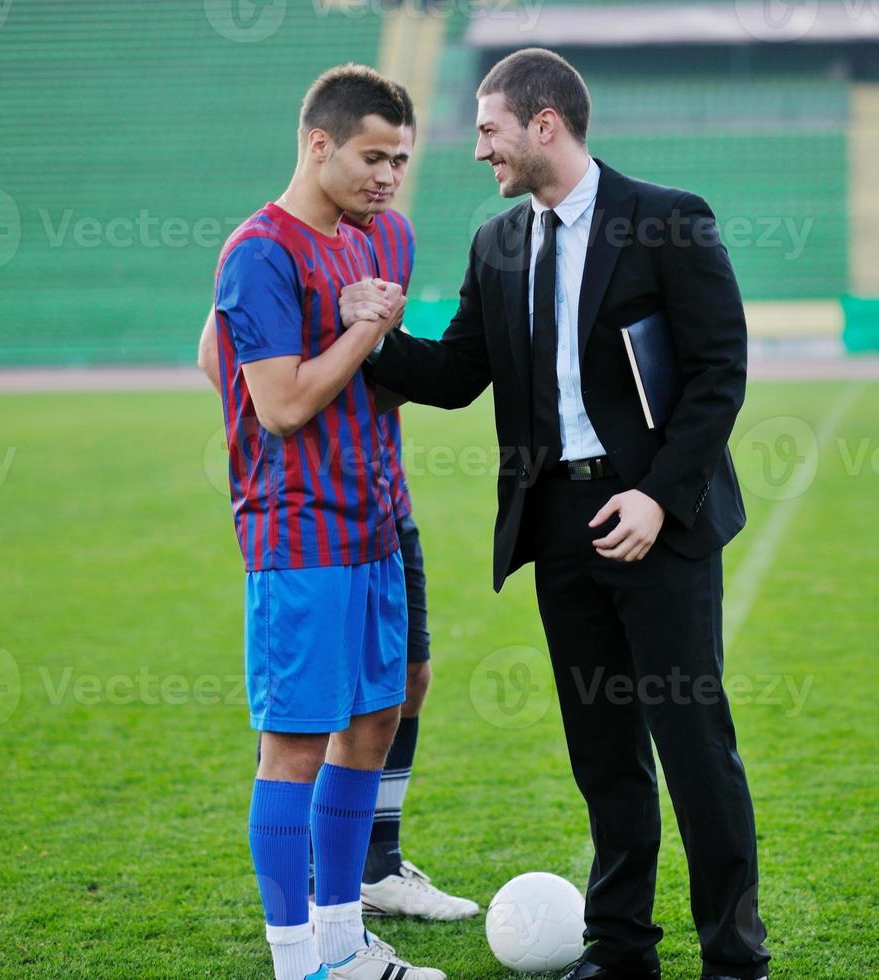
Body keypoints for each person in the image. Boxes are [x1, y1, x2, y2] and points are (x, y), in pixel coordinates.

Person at [346, 47, 770, 980]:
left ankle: (734, 959)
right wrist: (371, 336)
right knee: (602, 753)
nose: (478, 150)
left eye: (489, 130)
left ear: (546, 124)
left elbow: (718, 375)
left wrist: (658, 496)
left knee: (695, 752)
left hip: (660, 526)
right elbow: (458, 375)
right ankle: (620, 949)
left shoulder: (667, 219)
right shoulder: (498, 243)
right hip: (559, 528)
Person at [199, 84, 480, 925]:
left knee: (398, 689)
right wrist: (278, 403)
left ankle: (371, 874)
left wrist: (365, 379)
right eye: (374, 157)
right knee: (300, 729)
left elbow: (381, 372)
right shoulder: (262, 248)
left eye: (402, 158)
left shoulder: (389, 233)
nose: (391, 175)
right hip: (303, 523)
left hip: (381, 509)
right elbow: (238, 370)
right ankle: (311, 930)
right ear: (319, 146)